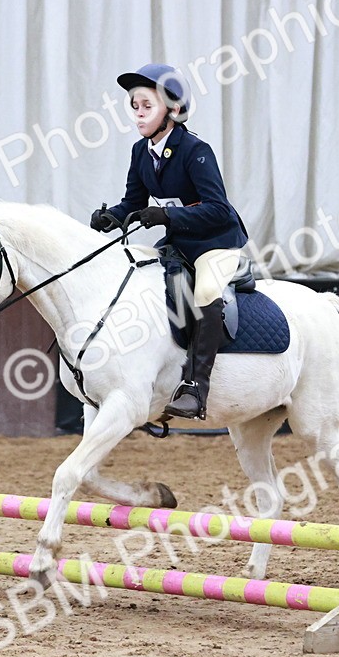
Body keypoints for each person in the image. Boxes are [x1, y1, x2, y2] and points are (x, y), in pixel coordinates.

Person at [90, 63, 247, 421]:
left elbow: (219, 210)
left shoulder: (196, 150)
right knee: (130, 267)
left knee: (206, 292)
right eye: (135, 106)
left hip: (216, 243)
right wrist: (110, 218)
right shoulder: (140, 152)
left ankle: (196, 389)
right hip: (178, 243)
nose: (139, 113)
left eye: (147, 105)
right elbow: (134, 203)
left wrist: (167, 217)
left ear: (172, 109)